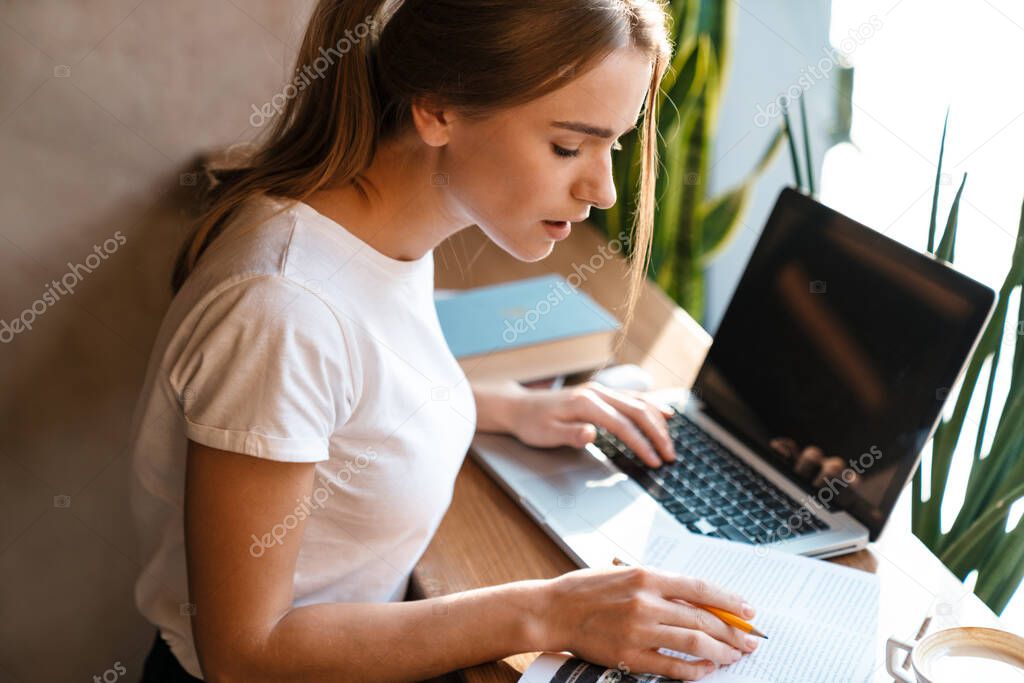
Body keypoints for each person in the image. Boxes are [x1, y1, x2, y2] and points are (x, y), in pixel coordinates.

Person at [129, 1, 761, 681]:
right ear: (437, 110)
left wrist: (510, 407)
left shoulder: (379, 230)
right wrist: (549, 611)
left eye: (614, 143)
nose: (603, 189)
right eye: (567, 146)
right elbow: (244, 653)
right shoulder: (283, 310)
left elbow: (350, 390)